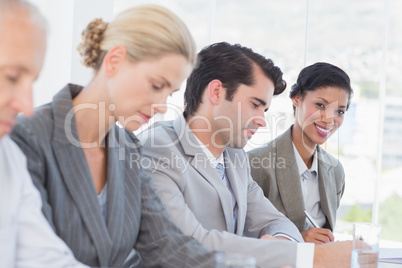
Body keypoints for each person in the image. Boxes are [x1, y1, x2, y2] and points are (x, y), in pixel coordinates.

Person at [11, 4, 215, 267]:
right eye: (156, 85)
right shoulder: (26, 139)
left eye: (170, 93)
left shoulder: (128, 147)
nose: (163, 106)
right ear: (114, 60)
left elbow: (163, 243)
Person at [139, 42, 357, 268]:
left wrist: (281, 242)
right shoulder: (158, 149)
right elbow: (187, 244)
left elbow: (275, 222)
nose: (262, 120)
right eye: (255, 105)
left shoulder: (234, 156)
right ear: (216, 92)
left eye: (265, 110)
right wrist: (310, 257)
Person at [0, 0, 87, 267]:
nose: (27, 106)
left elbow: (46, 259)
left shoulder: (8, 157)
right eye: (12, 77)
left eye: (32, 82)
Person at [248, 62, 352, 244]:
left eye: (339, 111)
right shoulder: (256, 164)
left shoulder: (335, 171)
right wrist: (296, 240)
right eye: (321, 105)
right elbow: (240, 236)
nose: (329, 119)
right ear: (297, 98)